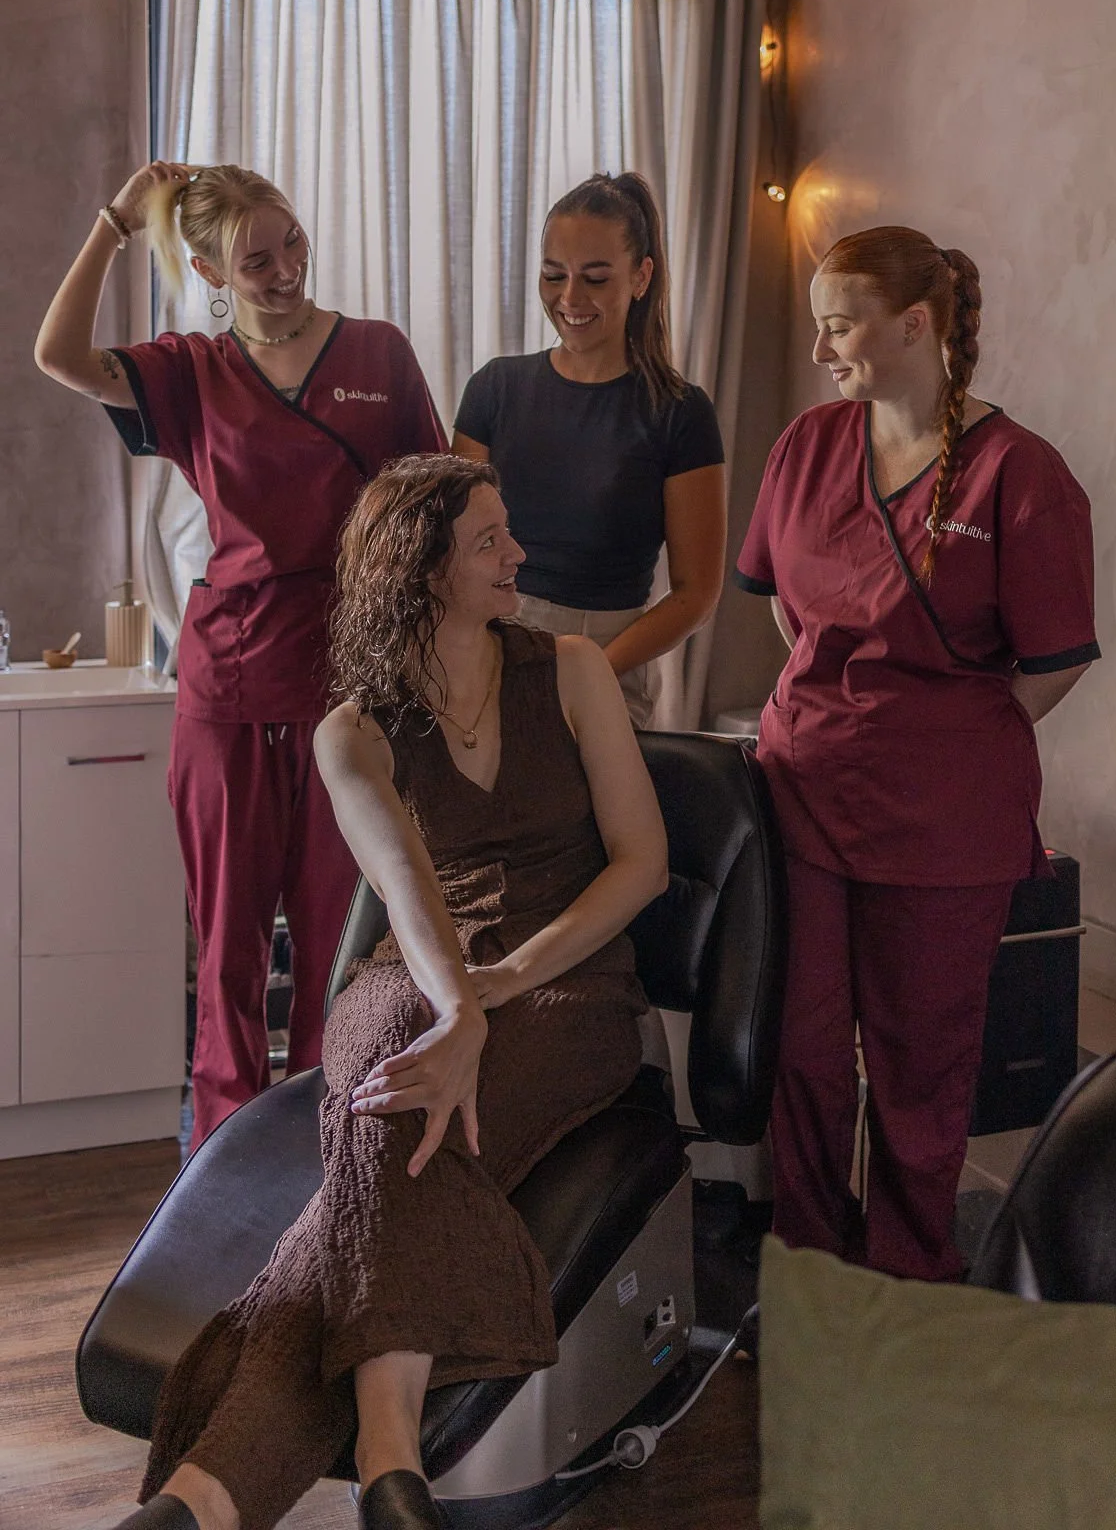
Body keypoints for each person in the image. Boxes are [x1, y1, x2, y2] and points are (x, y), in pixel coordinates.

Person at [112, 452, 667, 1530]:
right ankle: (387, 1471)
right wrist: (457, 1006)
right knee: (391, 1089)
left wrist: (499, 984)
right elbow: (409, 898)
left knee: (383, 1152)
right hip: (415, 972)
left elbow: (640, 863)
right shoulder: (352, 731)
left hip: (567, 985)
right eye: (489, 541)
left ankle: (206, 1499)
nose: (518, 554)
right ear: (421, 569)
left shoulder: (571, 670)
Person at [34, 162, 446, 1147]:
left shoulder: (378, 353)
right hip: (226, 683)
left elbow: (434, 497)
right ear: (211, 270)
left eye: (290, 241)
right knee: (227, 947)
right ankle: (221, 1157)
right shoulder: (191, 370)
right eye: (254, 260)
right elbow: (58, 354)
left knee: (335, 943)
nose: (285, 270)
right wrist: (113, 223)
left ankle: (322, 1145)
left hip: (344, 684)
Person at [735, 225, 1100, 1282]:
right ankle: (808, 1261)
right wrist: (846, 717)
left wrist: (943, 742)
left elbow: (1054, 661)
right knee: (801, 1047)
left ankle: (905, 1272)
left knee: (918, 1063)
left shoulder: (1019, 474)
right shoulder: (806, 445)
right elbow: (782, 608)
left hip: (943, 823)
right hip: (800, 791)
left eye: (838, 326)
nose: (818, 349)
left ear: (913, 325)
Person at [452, 172, 726, 726]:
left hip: (609, 656)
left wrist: (591, 668)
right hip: (488, 644)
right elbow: (455, 548)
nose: (570, 298)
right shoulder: (494, 389)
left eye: (596, 279)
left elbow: (696, 594)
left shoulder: (679, 412)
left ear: (641, 276)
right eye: (554, 275)